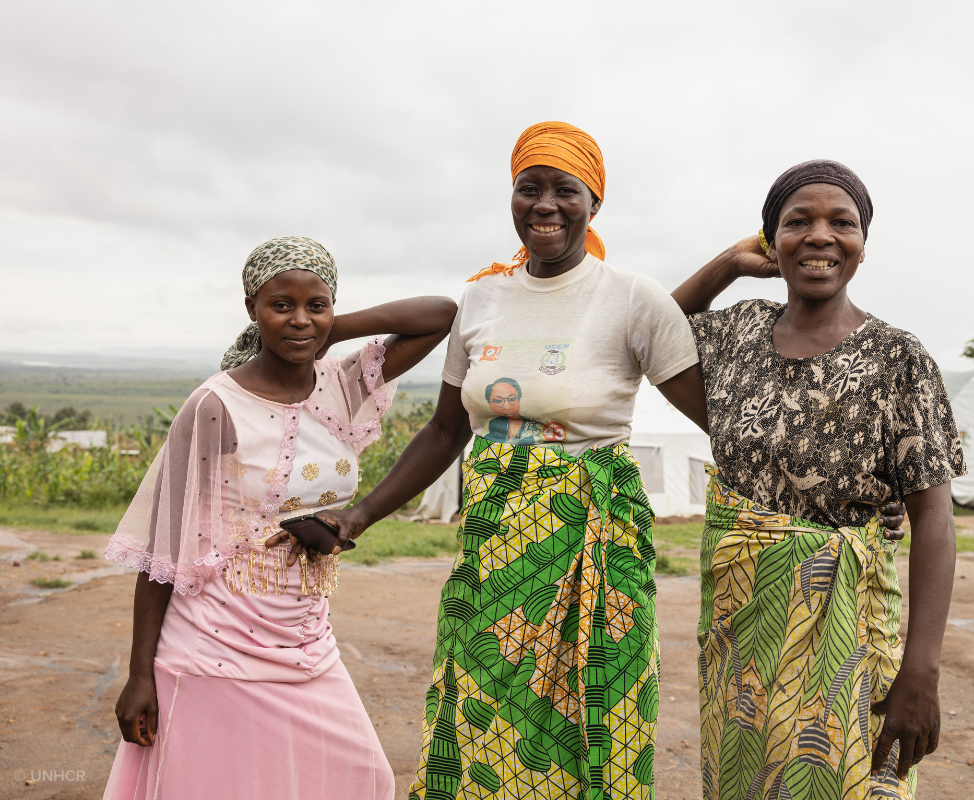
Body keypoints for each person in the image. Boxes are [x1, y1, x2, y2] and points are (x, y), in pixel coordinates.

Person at [320, 121, 712, 800]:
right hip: (493, 547)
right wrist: (358, 516)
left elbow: (721, 421)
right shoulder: (481, 298)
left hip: (596, 540)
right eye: (529, 188)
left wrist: (848, 489)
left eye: (566, 190)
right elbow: (446, 432)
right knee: (479, 709)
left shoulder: (631, 297)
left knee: (598, 712)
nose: (545, 204)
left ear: (594, 205)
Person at [101, 236, 457, 800]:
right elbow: (162, 548)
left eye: (315, 304)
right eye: (280, 305)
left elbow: (440, 315)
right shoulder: (215, 404)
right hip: (212, 646)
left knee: (364, 777)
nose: (298, 319)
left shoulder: (344, 385)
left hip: (306, 639)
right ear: (251, 310)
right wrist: (140, 674)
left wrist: (327, 329)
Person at [672, 160, 962, 799]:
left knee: (855, 782)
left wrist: (922, 672)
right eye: (797, 222)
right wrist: (727, 262)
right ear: (771, 240)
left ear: (863, 244)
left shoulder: (897, 358)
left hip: (852, 629)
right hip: (742, 624)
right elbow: (652, 334)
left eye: (843, 223)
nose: (821, 236)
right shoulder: (737, 333)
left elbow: (935, 519)